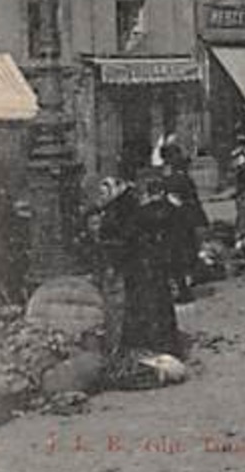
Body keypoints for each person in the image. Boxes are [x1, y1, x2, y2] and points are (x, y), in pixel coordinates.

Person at [84, 176, 180, 356]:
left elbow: (124, 237)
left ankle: (149, 346)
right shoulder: (126, 205)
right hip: (145, 263)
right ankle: (160, 344)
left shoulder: (119, 209)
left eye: (104, 192)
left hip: (139, 264)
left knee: (143, 304)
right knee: (151, 304)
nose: (101, 196)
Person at [156, 137, 208, 302]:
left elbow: (188, 199)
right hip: (181, 219)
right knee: (183, 251)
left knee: (181, 251)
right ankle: (183, 284)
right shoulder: (177, 177)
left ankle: (182, 285)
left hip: (180, 218)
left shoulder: (174, 178)